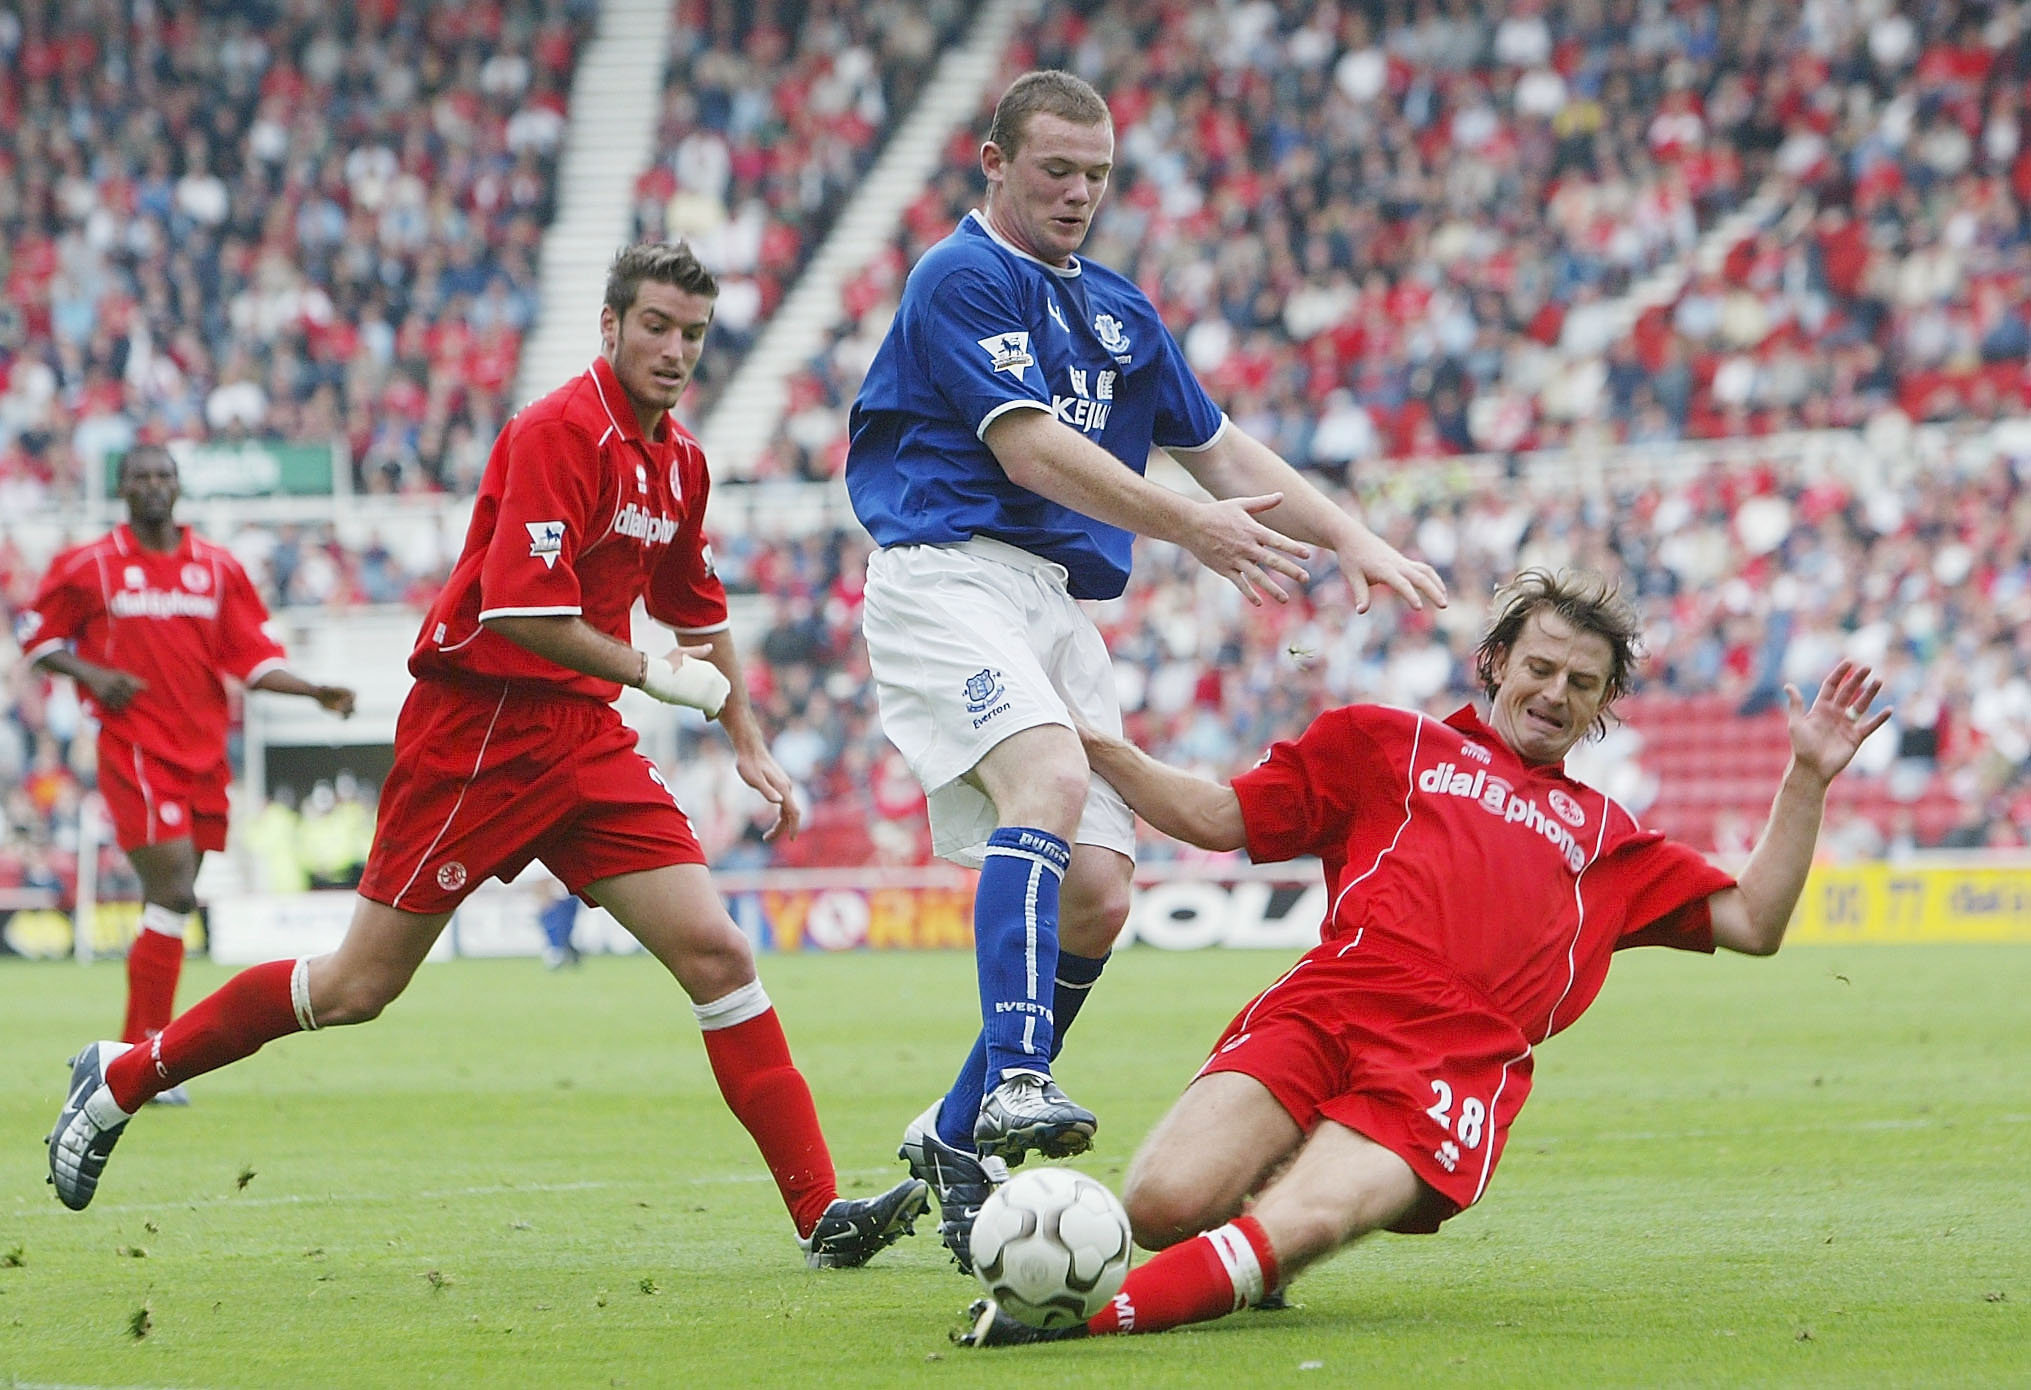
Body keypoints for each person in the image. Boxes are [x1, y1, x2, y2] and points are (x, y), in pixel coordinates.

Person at [46, 242, 930, 1270]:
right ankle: (123, 1076)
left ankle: (822, 1216)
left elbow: (698, 606)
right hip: (481, 732)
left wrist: (747, 736)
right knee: (355, 987)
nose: (675, 349)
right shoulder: (557, 430)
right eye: (655, 325)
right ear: (609, 325)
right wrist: (654, 673)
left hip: (584, 739)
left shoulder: (679, 461)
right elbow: (519, 612)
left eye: (692, 334)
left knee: (719, 954)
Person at [959, 568, 1891, 1346]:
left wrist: (1805, 776)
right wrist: (1088, 745)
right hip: (1328, 1004)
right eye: (1540, 668)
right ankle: (1256, 1217)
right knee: (1160, 1203)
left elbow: (1755, 921)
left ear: (1604, 704)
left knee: (1308, 1222)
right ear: (1493, 663)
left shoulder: (1608, 837)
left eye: (1582, 683)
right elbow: (1217, 817)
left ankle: (1080, 1323)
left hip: (1450, 1061)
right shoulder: (1382, 741)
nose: (1555, 694)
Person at [845, 68, 1446, 1270]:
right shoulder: (958, 277)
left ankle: (957, 1138)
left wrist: (1352, 536)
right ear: (995, 161)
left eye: (1097, 175)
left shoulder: (1119, 310)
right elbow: (1027, 451)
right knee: (1051, 787)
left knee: (1104, 893)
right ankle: (1018, 1079)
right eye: (1056, 169)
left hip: (1057, 603)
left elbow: (1222, 449)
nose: (1078, 193)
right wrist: (1193, 529)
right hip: (949, 568)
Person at [18, 445, 356, 1103]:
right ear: (121, 488)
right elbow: (36, 638)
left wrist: (314, 691)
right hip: (137, 750)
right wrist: (92, 673)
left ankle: (135, 1053)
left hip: (205, 756)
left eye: (163, 476)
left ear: (178, 487)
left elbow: (252, 659)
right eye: (140, 476)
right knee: (173, 891)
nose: (153, 486)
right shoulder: (90, 567)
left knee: (170, 906)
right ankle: (142, 1055)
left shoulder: (216, 568)